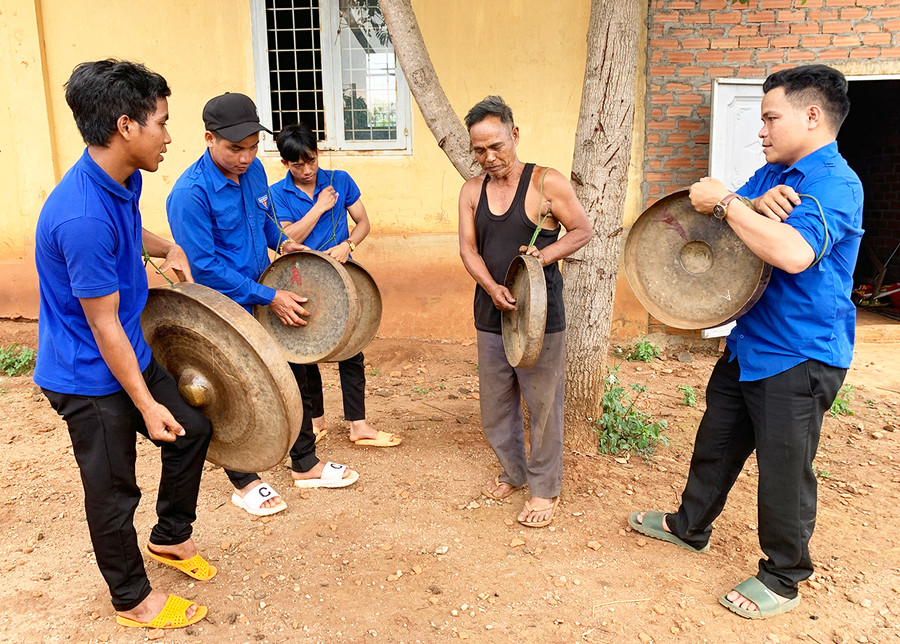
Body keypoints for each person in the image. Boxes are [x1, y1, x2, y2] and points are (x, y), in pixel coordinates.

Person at [629, 65, 863, 620]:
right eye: (760, 119)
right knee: (718, 442)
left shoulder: (836, 183)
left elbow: (793, 253)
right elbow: (720, 228)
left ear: (812, 115)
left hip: (800, 353)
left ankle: (784, 578)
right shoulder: (773, 172)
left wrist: (730, 202)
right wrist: (747, 203)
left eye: (770, 118)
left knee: (785, 468)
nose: (761, 130)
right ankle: (690, 527)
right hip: (751, 341)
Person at [34, 59, 215, 630]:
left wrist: (165, 248)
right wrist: (145, 402)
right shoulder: (81, 217)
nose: (168, 134)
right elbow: (104, 325)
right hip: (85, 375)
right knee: (113, 492)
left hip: (122, 354)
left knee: (194, 428)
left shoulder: (120, 178)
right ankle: (132, 599)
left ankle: (169, 537)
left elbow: (129, 225)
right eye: (161, 122)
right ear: (125, 126)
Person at [167, 93, 359, 518]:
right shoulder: (190, 194)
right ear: (208, 139)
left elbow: (264, 222)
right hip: (224, 307)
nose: (246, 156)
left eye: (253, 146)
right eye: (236, 148)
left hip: (263, 291)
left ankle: (305, 464)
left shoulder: (253, 173)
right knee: (233, 390)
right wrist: (270, 296)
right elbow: (205, 267)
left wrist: (284, 242)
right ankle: (244, 479)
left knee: (293, 376)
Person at [457, 96, 591, 528]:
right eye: (479, 150)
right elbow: (467, 248)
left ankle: (543, 487)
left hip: (539, 316)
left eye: (496, 146)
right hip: (491, 310)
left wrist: (544, 257)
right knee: (496, 403)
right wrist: (491, 287)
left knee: (543, 403)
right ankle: (514, 472)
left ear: (514, 135)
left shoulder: (545, 182)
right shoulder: (471, 191)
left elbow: (582, 230)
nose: (489, 158)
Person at [269, 122, 402, 448]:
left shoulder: (339, 180)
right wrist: (320, 207)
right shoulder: (276, 193)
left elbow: (363, 223)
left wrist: (349, 245)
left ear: (318, 154)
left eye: (312, 160)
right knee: (306, 352)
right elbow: (288, 239)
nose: (307, 170)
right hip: (303, 278)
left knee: (352, 348)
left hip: (344, 275)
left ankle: (358, 425)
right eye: (298, 164)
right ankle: (317, 422)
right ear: (285, 163)